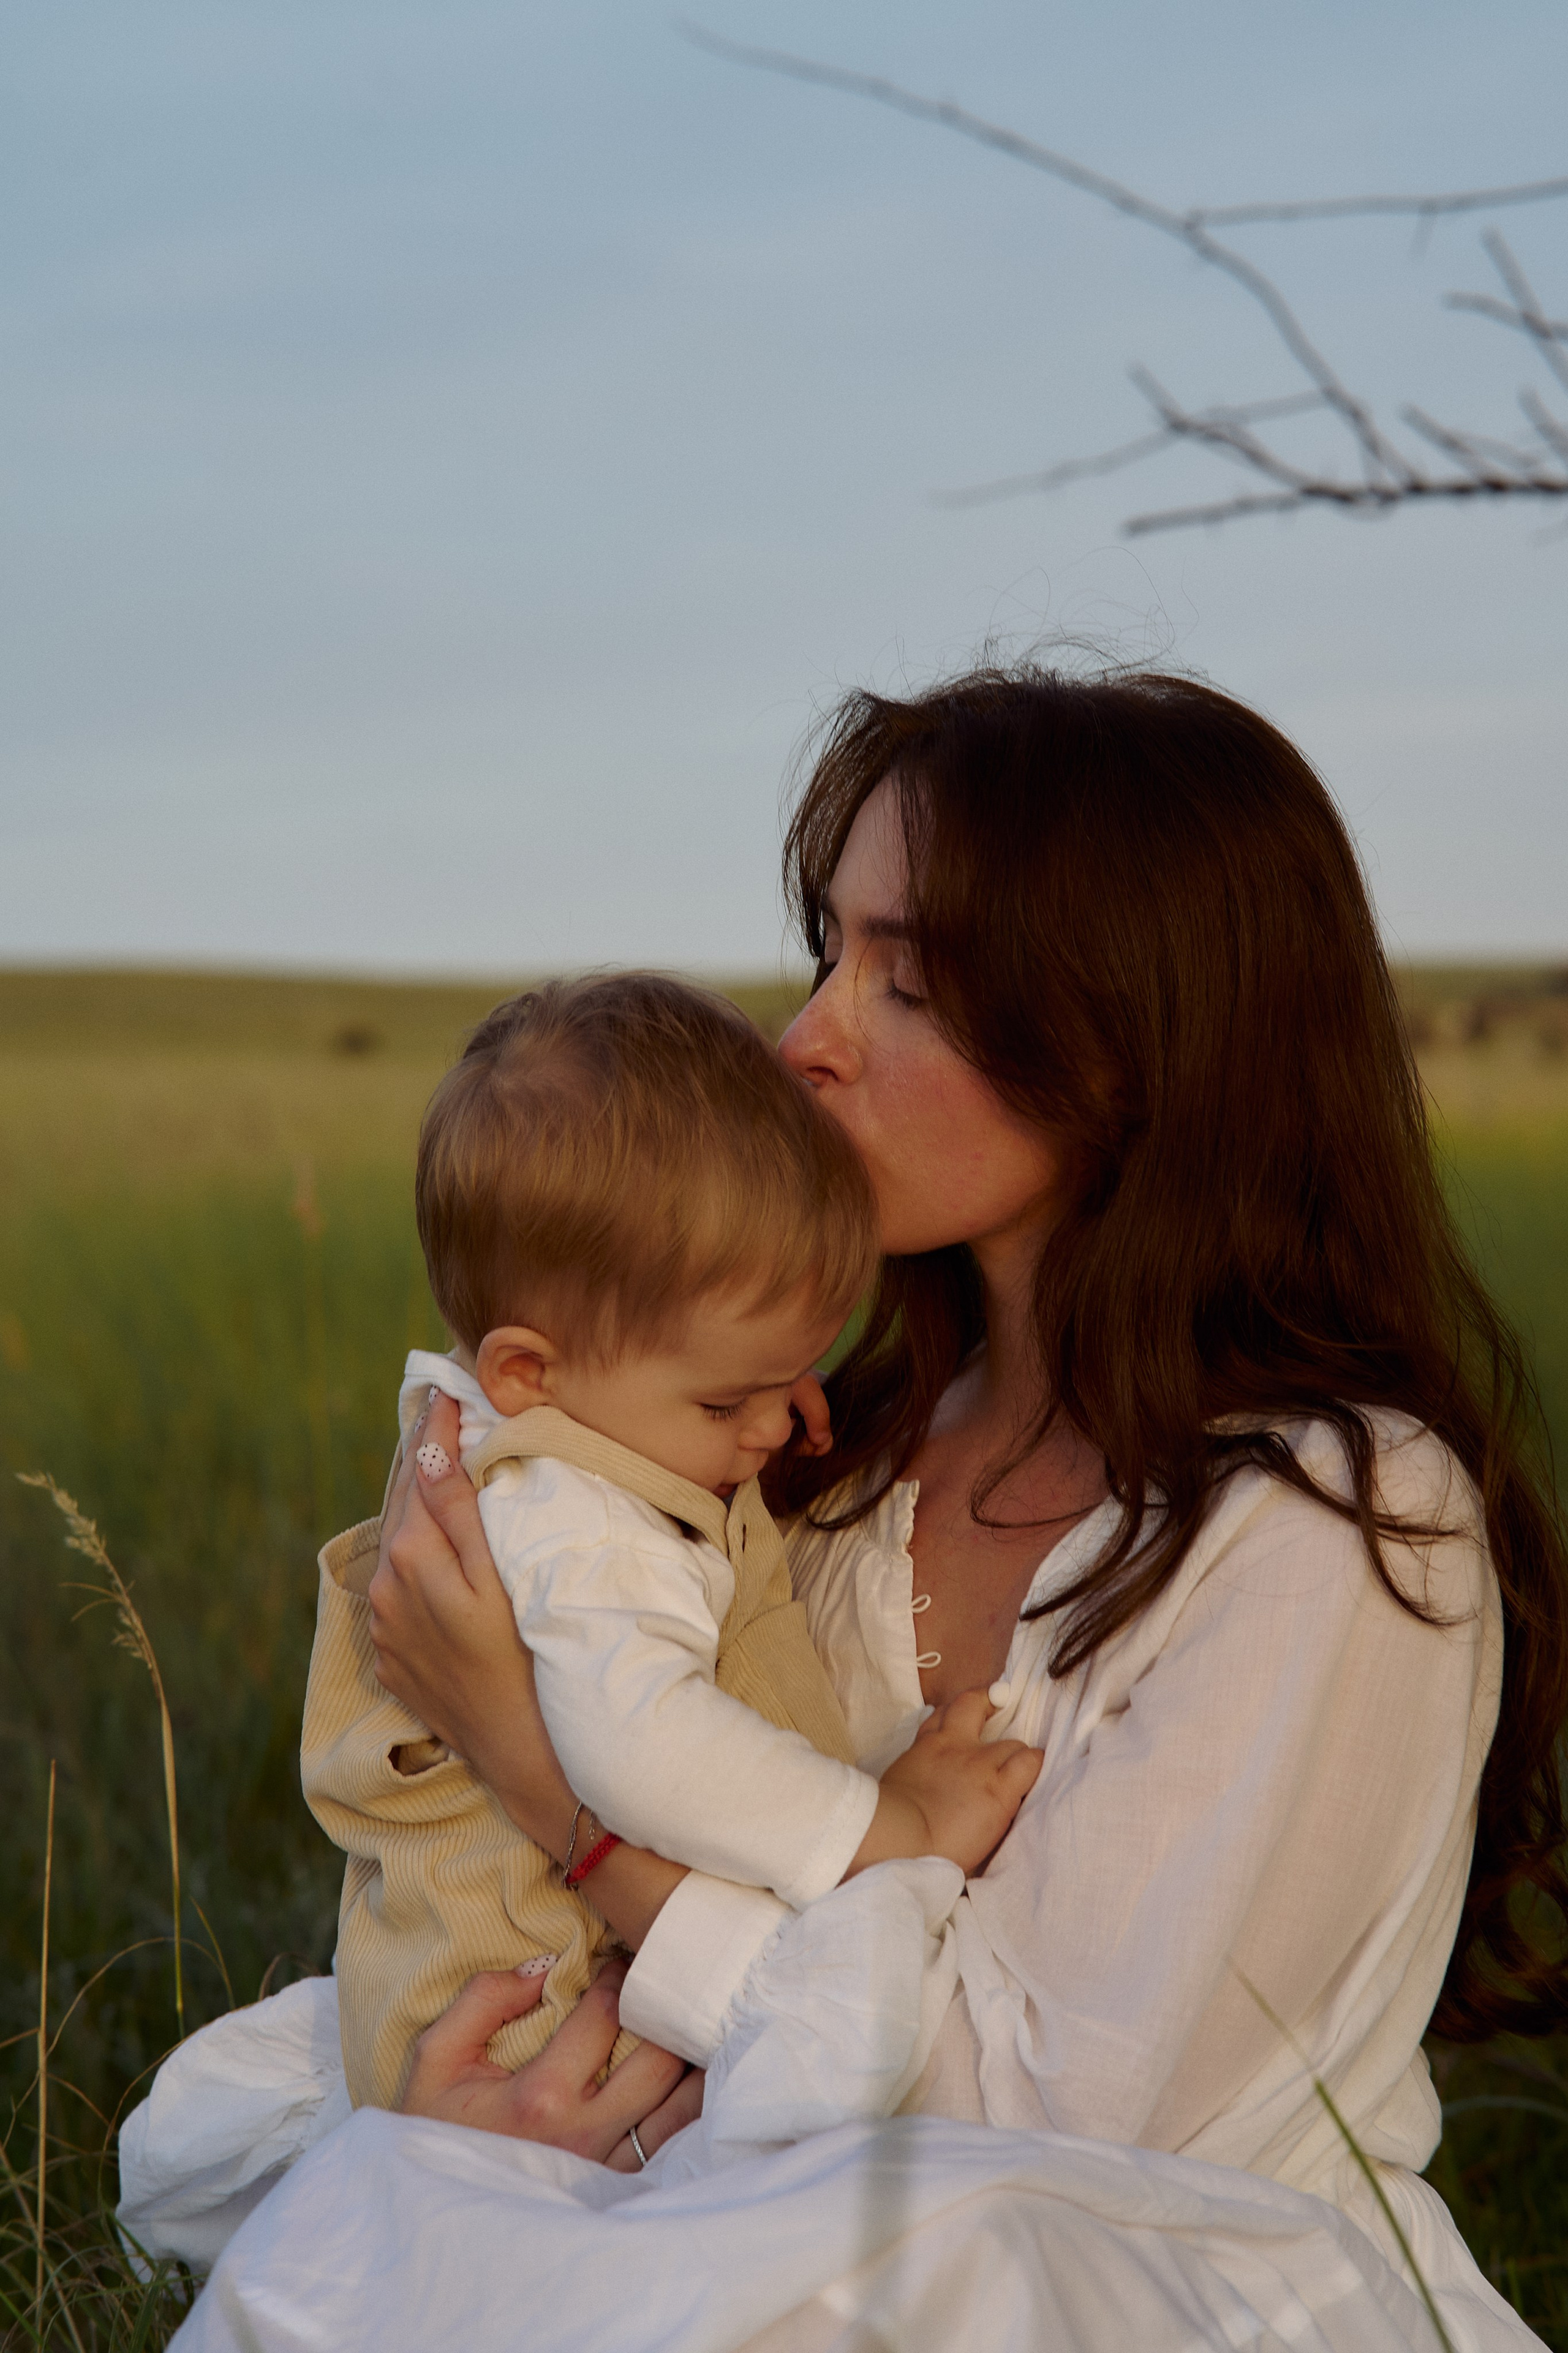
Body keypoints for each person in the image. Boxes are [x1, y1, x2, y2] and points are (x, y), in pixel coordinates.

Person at [123, 666, 1566, 2352]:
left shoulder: (1333, 1512)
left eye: (910, 980)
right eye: (830, 952)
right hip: (755, 2153)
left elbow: (1043, 2117)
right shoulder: (820, 1460)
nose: (805, 1040)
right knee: (354, 2175)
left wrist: (555, 1786)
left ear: (1139, 1034)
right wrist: (483, 2086)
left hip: (1151, 2260)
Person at [303, 971, 1037, 2111]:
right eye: (720, 1402)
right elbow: (642, 1745)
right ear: (528, 1373)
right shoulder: (572, 1514)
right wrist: (892, 1826)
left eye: (790, 1372)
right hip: (532, 2036)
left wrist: (736, 1385)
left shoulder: (578, 1419)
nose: (768, 1425)